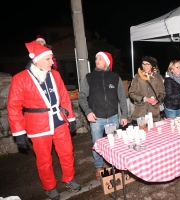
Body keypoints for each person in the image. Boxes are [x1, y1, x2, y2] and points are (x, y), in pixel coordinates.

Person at [7, 41, 81, 200]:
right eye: (48, 59)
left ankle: (69, 178)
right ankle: (50, 187)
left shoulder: (55, 74)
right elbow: (13, 107)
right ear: (37, 60)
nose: (52, 62)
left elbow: (64, 98)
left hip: (59, 121)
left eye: (51, 58)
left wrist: (71, 118)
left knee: (67, 153)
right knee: (44, 159)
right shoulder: (20, 78)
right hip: (38, 125)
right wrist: (19, 132)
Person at [78, 51, 128, 178]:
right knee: (97, 144)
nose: (97, 61)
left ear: (107, 62)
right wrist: (88, 112)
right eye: (96, 58)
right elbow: (82, 97)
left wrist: (124, 115)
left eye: (100, 58)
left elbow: (122, 98)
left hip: (112, 117)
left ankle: (116, 164)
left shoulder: (115, 77)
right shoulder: (89, 77)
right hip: (97, 119)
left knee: (114, 143)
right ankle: (99, 166)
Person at [129, 56, 165, 122]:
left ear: (152, 65)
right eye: (143, 63)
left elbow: (162, 93)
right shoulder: (137, 76)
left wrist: (157, 100)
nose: (144, 66)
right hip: (140, 114)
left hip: (154, 114)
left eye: (147, 64)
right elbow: (131, 93)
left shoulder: (158, 77)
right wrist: (144, 99)